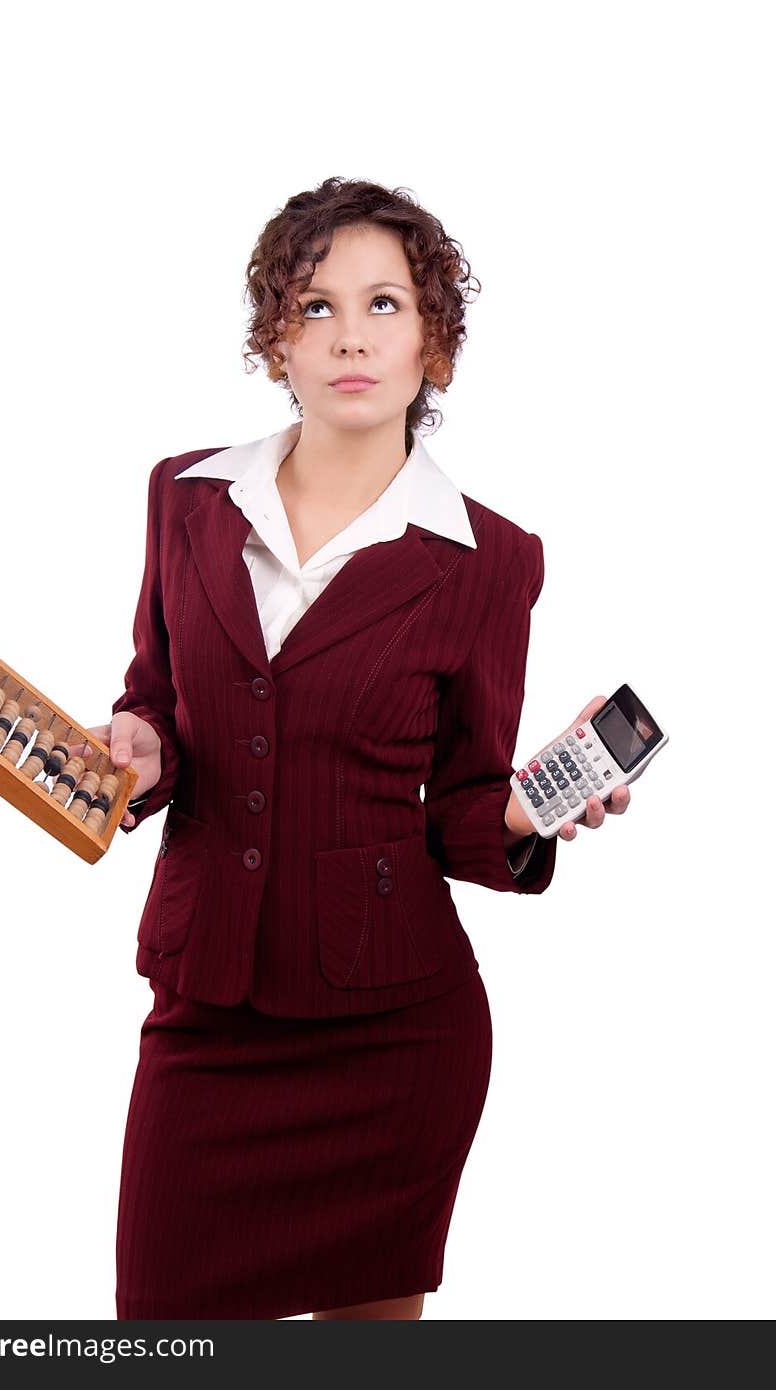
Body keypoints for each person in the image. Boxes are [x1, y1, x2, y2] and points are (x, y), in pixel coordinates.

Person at [81, 176, 631, 1321]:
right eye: (314, 305)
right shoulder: (182, 498)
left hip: (393, 1033)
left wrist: (529, 815)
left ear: (435, 343)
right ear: (273, 336)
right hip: (208, 1009)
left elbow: (463, 805)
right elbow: (157, 701)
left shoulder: (490, 560)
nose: (348, 336)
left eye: (384, 305)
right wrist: (138, 747)